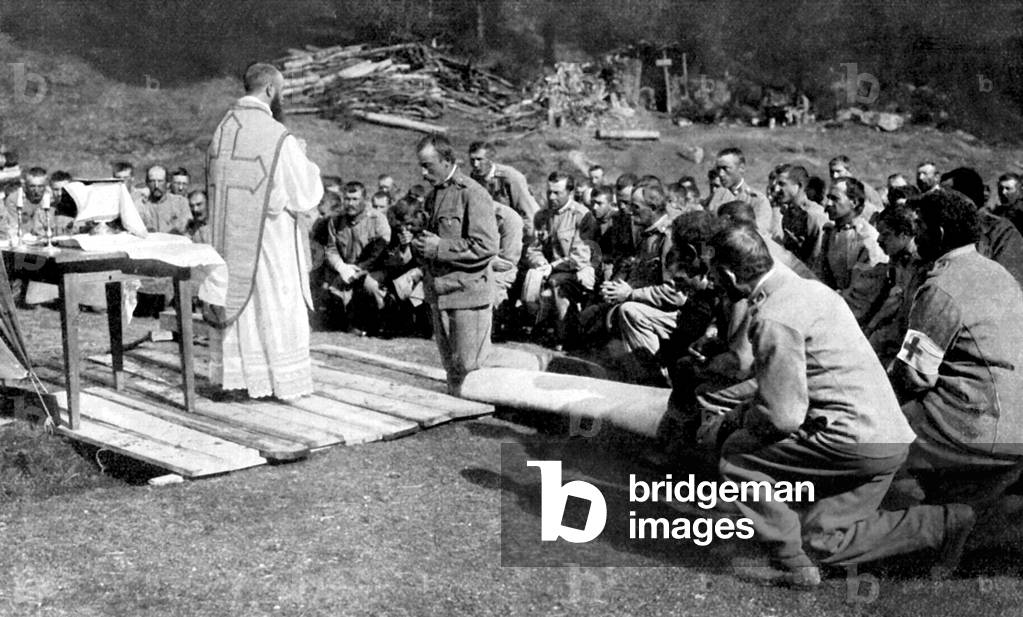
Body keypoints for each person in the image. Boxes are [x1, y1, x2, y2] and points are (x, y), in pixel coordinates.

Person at [704, 223, 976, 587]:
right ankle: (947, 523)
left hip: (853, 442)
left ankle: (791, 564)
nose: (711, 283)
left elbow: (782, 417)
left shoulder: (773, 316)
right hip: (889, 437)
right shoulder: (812, 291)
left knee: (737, 456)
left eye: (713, 275)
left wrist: (731, 422)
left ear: (728, 274)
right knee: (823, 539)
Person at [891, 188, 1023, 509]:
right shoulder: (999, 273)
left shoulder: (940, 285)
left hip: (974, 429)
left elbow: (914, 377)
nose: (914, 234)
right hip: (1014, 425)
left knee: (870, 433)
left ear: (937, 233)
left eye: (919, 226)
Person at [203, 62, 324, 400]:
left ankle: (240, 380)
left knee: (244, 300)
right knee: (277, 301)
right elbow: (304, 191)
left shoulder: (222, 129)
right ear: (271, 90)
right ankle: (279, 382)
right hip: (270, 236)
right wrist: (302, 155)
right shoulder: (276, 135)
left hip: (231, 236)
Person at [412, 134, 499, 395]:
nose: (423, 172)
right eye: (421, 165)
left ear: (447, 160)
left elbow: (486, 246)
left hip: (468, 296)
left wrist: (440, 248)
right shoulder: (433, 196)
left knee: (472, 370)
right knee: (452, 368)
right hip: (441, 294)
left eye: (428, 165)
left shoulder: (472, 193)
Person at [523, 171, 598, 348]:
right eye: (549, 191)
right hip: (549, 269)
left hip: (578, 272)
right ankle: (536, 325)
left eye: (557, 192)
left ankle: (563, 338)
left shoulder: (582, 216)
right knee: (530, 277)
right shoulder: (542, 216)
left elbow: (580, 258)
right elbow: (534, 249)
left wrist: (552, 267)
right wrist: (540, 263)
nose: (551, 196)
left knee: (558, 282)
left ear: (570, 193)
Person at [322, 181, 391, 333]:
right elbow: (331, 249)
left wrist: (360, 269)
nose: (350, 203)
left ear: (364, 200)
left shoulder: (377, 219)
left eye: (355, 199)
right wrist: (342, 267)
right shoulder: (336, 221)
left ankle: (382, 323)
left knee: (370, 286)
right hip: (348, 268)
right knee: (334, 289)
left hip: (373, 269)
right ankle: (350, 324)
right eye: (347, 199)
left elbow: (380, 251)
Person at [818, 176, 888, 321]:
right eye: (828, 198)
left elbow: (862, 295)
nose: (827, 204)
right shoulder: (830, 233)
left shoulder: (867, 240)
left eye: (835, 198)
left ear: (854, 202)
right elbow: (822, 276)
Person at [940, 167, 1023, 288]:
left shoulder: (1001, 232)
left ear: (966, 200)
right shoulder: (939, 232)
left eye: (945, 198)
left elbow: (1009, 284)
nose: (938, 203)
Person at [467, 141, 540, 244]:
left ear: (490, 159)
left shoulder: (510, 177)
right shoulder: (475, 178)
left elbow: (530, 213)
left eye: (479, 159)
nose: (475, 165)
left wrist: (524, 241)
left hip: (519, 234)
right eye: (472, 160)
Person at [705, 147, 775, 238]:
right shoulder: (716, 196)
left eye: (725, 168)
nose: (721, 174)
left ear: (741, 168)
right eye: (718, 169)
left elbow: (759, 234)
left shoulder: (757, 200)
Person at [773, 164, 828, 270]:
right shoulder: (789, 214)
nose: (776, 189)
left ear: (799, 185)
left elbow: (817, 262)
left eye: (782, 184)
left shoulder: (815, 217)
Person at [135, 165, 192, 234]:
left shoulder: (180, 203)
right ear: (147, 183)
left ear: (167, 183)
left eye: (160, 181)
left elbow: (184, 226)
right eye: (152, 181)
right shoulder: (141, 205)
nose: (156, 186)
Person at [829, 155, 883, 220]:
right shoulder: (833, 190)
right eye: (831, 172)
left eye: (838, 171)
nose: (834, 175)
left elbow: (880, 211)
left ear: (849, 171)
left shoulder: (865, 189)